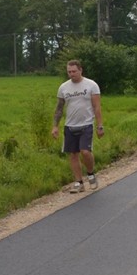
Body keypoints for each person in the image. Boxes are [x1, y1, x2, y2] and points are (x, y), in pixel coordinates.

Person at [52, 60, 104, 193]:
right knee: (73, 154)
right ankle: (79, 182)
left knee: (85, 152)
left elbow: (97, 107)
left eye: (74, 71)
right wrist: (55, 126)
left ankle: (91, 174)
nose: (71, 74)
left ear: (81, 70)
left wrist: (100, 126)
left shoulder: (91, 85)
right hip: (70, 125)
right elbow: (59, 108)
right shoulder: (63, 87)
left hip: (86, 124)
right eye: (69, 72)